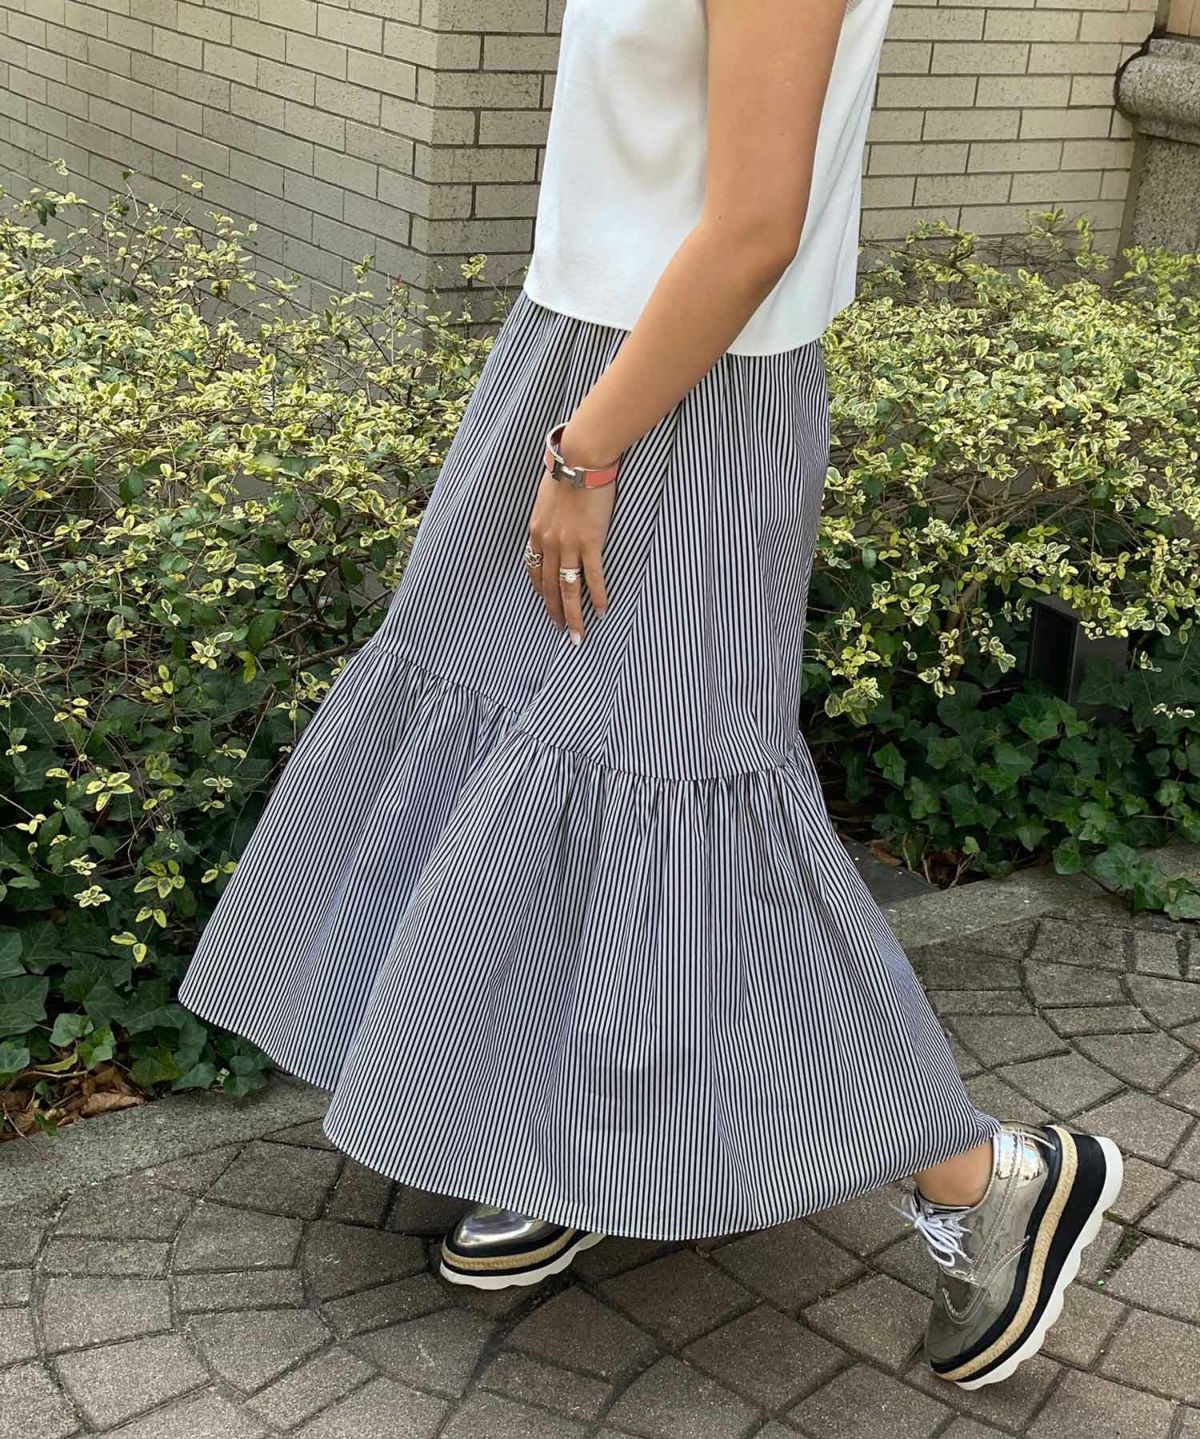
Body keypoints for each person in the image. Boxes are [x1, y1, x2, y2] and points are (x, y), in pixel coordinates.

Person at [177, 0, 1124, 1390]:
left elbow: (755, 227)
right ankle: (563, 1143)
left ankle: (987, 1178)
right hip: (585, 362)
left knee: (680, 805)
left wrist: (587, 454)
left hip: (682, 407)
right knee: (535, 753)